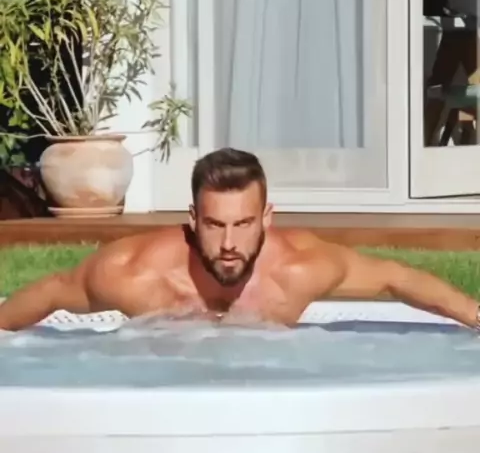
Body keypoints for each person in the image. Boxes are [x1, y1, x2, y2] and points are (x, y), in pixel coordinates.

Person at [0, 148, 479, 332]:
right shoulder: (134, 275)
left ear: (267, 218)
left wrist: (476, 316)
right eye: (215, 225)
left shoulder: (298, 270)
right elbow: (53, 291)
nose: (229, 242)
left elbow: (394, 278)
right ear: (193, 220)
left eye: (243, 224)